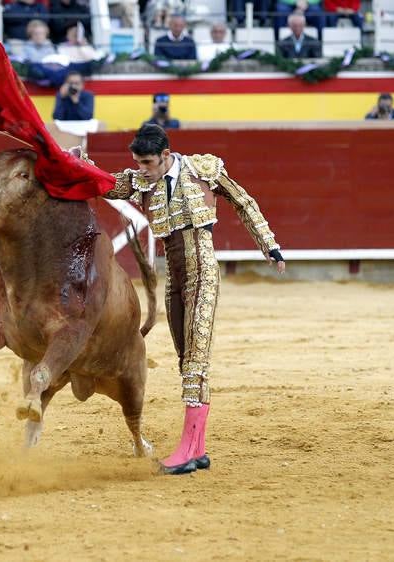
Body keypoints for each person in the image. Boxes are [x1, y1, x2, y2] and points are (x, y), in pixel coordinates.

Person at [100, 124, 285, 475]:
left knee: (196, 361)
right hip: (175, 278)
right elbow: (103, 183)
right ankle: (196, 449)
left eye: (148, 163)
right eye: (138, 163)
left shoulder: (204, 169)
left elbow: (243, 201)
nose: (142, 170)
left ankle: (187, 450)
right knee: (186, 360)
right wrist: (72, 165)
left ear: (166, 155)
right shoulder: (140, 181)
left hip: (203, 273)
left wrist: (269, 244)